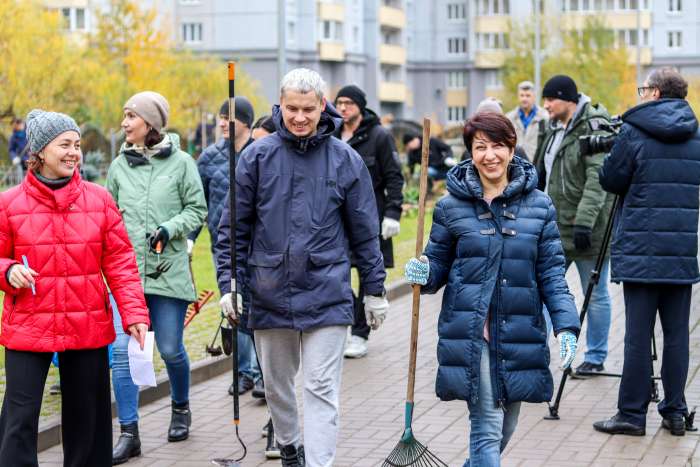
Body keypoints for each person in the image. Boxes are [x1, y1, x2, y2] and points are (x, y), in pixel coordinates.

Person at [214, 68, 388, 467]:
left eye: (308, 109)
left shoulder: (345, 160)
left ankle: (319, 462)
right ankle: (291, 446)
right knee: (276, 387)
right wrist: (229, 283)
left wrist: (375, 290)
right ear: (280, 104)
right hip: (269, 288)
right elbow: (233, 229)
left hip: (327, 290)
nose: (299, 117)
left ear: (321, 106)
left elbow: (365, 231)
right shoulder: (257, 157)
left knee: (321, 385)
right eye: (291, 108)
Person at [404, 112, 580, 467]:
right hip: (471, 334)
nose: (490, 155)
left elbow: (551, 273)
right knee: (486, 425)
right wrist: (423, 272)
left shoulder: (539, 206)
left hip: (519, 331)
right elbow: (437, 265)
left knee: (506, 425)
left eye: (498, 145)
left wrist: (566, 324)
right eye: (480, 147)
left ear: (512, 148)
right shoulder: (452, 206)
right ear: (470, 152)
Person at [0, 109, 150, 467]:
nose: (74, 153)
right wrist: (7, 272)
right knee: (18, 422)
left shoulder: (99, 200)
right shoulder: (8, 204)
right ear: (39, 153)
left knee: (89, 424)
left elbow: (120, 262)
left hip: (87, 327)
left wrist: (134, 314)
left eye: (77, 145)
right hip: (28, 325)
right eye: (64, 144)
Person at [594, 68, 700, 437]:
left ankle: (631, 415)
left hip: (641, 250)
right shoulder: (695, 132)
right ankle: (674, 411)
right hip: (681, 251)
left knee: (637, 337)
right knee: (677, 337)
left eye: (643, 89)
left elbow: (611, 179)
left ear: (655, 93)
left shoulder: (634, 130)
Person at [106, 91, 207, 464]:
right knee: (122, 352)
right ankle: (129, 433)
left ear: (149, 123)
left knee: (169, 349)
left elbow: (197, 210)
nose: (124, 123)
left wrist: (170, 227)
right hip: (127, 276)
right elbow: (108, 214)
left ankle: (180, 407)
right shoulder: (118, 168)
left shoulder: (182, 164)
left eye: (130, 116)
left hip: (169, 273)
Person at [532, 75, 614, 378]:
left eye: (550, 99)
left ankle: (595, 356)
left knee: (595, 293)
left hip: (586, 229)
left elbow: (598, 179)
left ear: (567, 99)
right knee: (541, 289)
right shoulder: (552, 127)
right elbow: (543, 173)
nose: (546, 105)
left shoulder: (594, 125)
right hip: (554, 227)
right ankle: (537, 351)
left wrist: (584, 222)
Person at [187, 97, 262, 398]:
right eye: (219, 117)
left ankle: (262, 373)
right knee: (234, 307)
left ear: (245, 120)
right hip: (224, 244)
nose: (221, 123)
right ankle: (244, 371)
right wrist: (191, 238)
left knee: (257, 308)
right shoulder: (208, 158)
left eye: (228, 117)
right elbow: (199, 202)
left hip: (257, 244)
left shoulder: (259, 154)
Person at [334, 84, 404, 359]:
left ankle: (360, 334)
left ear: (360, 107)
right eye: (339, 103)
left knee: (367, 276)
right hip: (337, 220)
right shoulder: (332, 134)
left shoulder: (379, 137)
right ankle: (351, 322)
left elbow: (394, 177)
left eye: (349, 103)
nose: (343, 108)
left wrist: (393, 214)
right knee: (337, 273)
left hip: (368, 218)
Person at [506, 81, 548, 161]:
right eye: (522, 95)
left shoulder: (544, 117)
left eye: (528, 96)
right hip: (515, 164)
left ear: (534, 97)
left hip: (537, 164)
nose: (524, 99)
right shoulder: (509, 118)